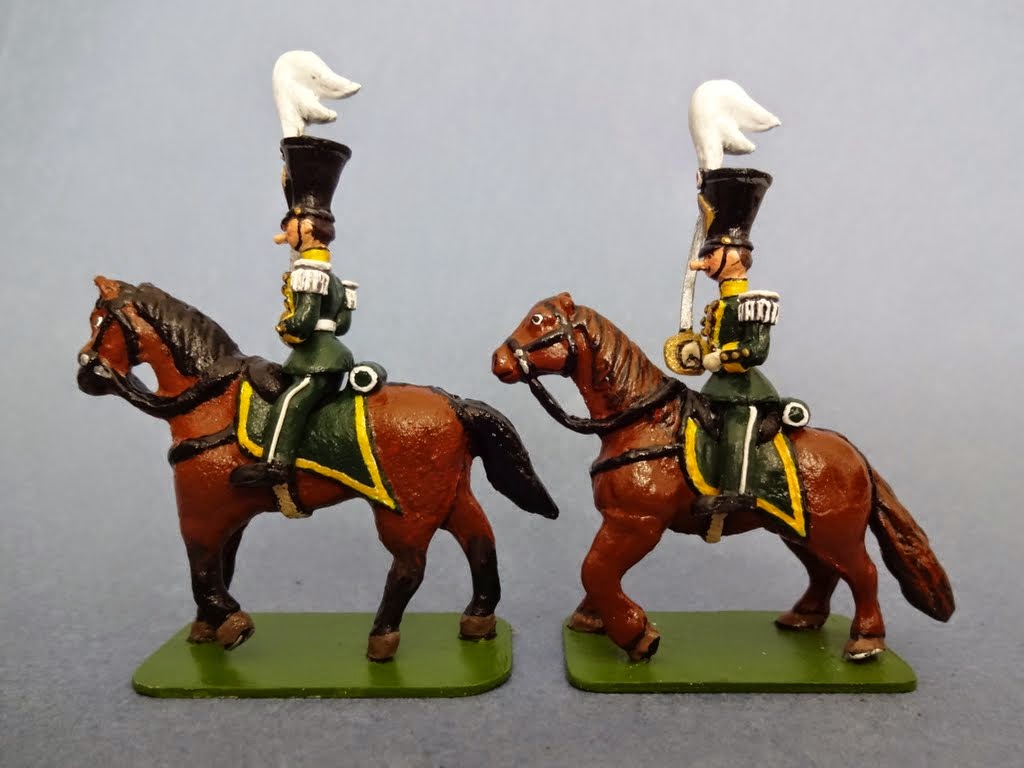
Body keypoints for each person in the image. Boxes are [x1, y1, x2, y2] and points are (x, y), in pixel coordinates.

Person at [230, 136, 359, 488]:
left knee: (290, 403)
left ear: (306, 229)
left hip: (317, 360)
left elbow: (303, 324)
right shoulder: (333, 279)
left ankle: (276, 464)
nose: (284, 233)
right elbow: (342, 325)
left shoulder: (308, 274)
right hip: (334, 356)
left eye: (288, 226)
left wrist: (285, 327)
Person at [678, 168, 781, 517]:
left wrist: (720, 359)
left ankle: (737, 492)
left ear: (734, 256)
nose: (701, 264)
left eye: (710, 256)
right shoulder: (719, 306)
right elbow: (712, 342)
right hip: (717, 387)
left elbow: (757, 351)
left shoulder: (754, 304)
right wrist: (697, 352)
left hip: (745, 391)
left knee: (737, 425)